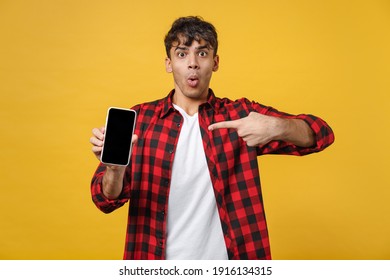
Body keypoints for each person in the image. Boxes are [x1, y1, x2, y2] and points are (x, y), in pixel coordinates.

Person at [89, 16, 334, 260]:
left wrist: (278, 127)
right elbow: (104, 200)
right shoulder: (140, 120)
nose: (193, 63)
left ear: (215, 62)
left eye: (202, 54)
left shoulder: (240, 116)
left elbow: (321, 134)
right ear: (169, 63)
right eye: (182, 54)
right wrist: (114, 170)